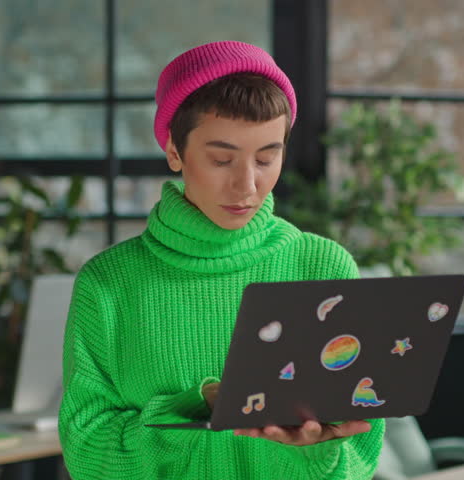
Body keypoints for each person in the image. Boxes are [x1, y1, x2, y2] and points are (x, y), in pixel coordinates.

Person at [59, 40, 384, 479]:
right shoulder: (109, 284)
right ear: (175, 150)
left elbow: (360, 460)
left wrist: (314, 452)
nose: (247, 186)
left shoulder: (323, 267)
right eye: (221, 159)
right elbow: (87, 454)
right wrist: (200, 406)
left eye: (267, 158)